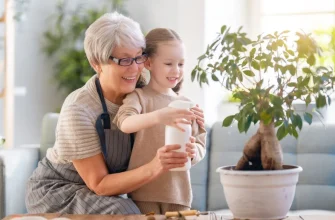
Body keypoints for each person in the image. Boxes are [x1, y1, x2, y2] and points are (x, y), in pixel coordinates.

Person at [25, 12, 200, 215]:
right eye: (124, 60)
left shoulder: (141, 89)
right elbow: (99, 184)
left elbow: (168, 101)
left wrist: (194, 120)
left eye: (138, 57)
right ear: (96, 63)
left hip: (105, 192)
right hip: (60, 191)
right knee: (125, 211)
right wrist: (155, 166)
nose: (135, 68)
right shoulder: (79, 109)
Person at [113, 28, 207, 214]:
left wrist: (193, 152)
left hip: (179, 194)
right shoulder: (139, 97)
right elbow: (124, 123)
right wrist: (159, 116)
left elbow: (200, 144)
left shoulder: (187, 104)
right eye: (168, 63)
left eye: (181, 64)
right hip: (143, 194)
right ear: (148, 63)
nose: (176, 70)